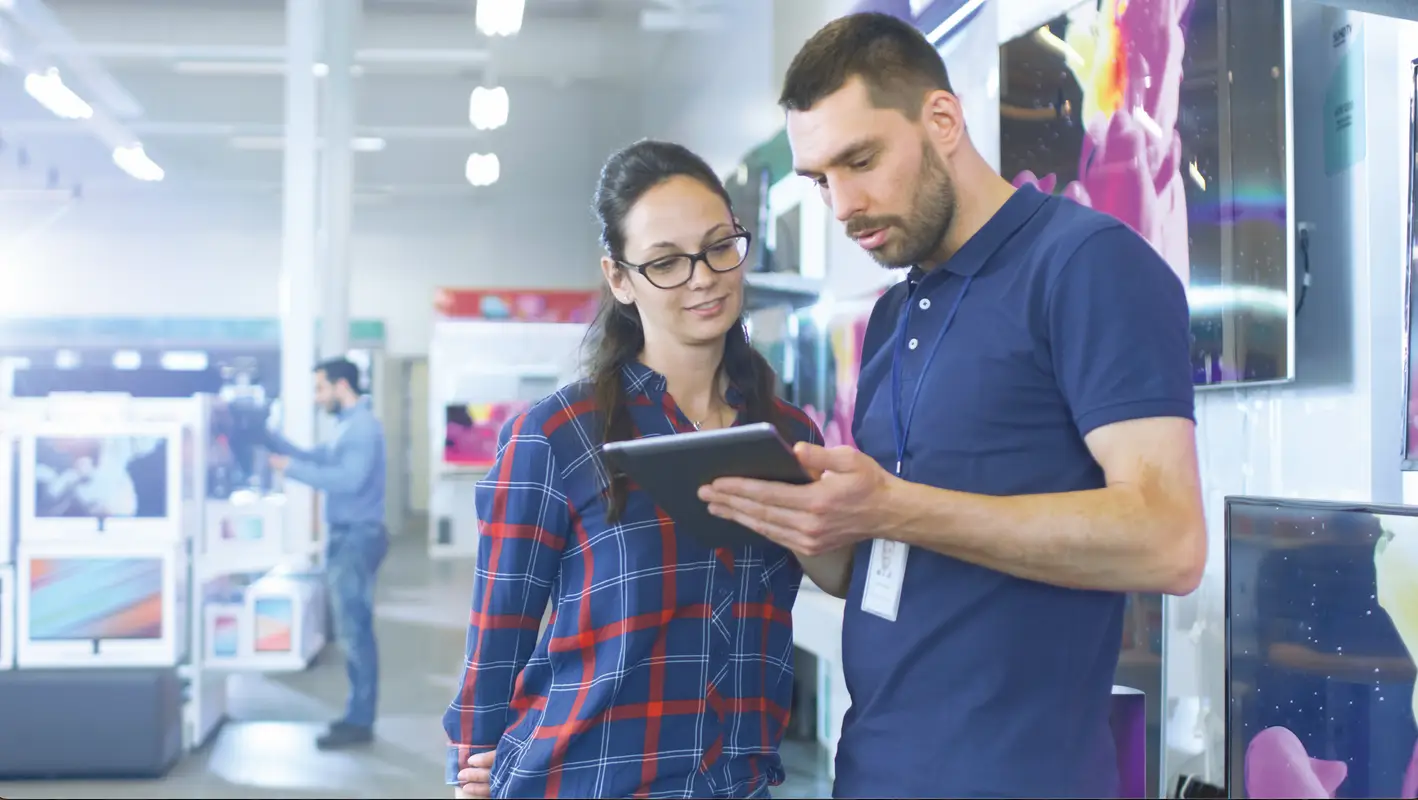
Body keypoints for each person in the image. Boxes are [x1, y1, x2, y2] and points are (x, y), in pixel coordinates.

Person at [698, 12, 1207, 799]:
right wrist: (788, 510)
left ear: (941, 119)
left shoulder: (1087, 265)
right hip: (871, 769)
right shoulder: (895, 314)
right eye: (820, 180)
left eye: (860, 160)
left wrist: (894, 507)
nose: (843, 205)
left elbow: (1170, 541)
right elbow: (875, 570)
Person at [443, 140, 845, 799]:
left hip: (737, 785)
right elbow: (498, 631)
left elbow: (832, 575)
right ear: (620, 278)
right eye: (665, 262)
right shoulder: (558, 436)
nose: (703, 276)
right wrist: (471, 763)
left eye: (720, 246)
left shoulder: (788, 437)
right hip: (587, 781)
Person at [267, 357, 389, 750]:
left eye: (320, 388)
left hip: (356, 539)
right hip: (348, 537)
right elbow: (319, 457)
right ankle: (358, 714)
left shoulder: (362, 429)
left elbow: (348, 480)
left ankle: (360, 719)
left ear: (341, 386)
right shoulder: (349, 427)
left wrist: (291, 468)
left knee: (355, 633)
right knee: (353, 629)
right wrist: (273, 441)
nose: (318, 398)